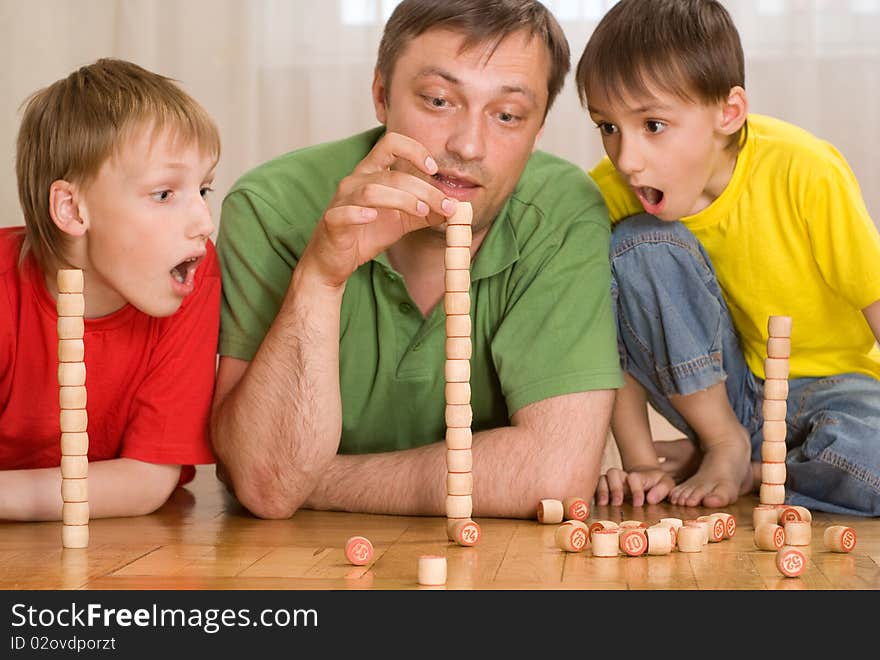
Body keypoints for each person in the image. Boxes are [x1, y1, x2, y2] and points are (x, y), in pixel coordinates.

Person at [211, 0, 622, 519]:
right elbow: (265, 487)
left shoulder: (564, 210)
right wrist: (320, 278)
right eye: (438, 100)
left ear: (538, 129)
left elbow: (553, 477)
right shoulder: (270, 209)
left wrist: (313, 480)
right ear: (382, 95)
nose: (469, 145)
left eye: (508, 116)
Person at [577, 0, 880, 514]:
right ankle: (723, 443)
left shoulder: (805, 169)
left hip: (837, 391)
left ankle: (751, 470)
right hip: (720, 392)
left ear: (728, 112)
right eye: (608, 127)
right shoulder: (607, 194)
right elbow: (601, 334)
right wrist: (640, 460)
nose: (626, 159)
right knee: (640, 243)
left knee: (870, 457)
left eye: (652, 125)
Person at [0, 58, 221, 521]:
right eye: (164, 194)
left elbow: (147, 482)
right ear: (73, 210)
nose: (203, 223)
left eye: (203, 190)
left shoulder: (192, 274)